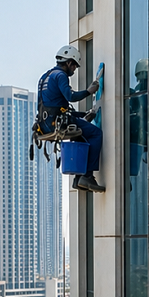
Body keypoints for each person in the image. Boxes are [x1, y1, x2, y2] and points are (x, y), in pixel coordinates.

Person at [37, 45, 104, 193]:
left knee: (82, 137)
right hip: (58, 121)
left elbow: (54, 105)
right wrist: (89, 91)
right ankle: (87, 176)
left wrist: (83, 114)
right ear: (68, 62)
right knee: (96, 134)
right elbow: (70, 97)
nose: (74, 70)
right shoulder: (61, 76)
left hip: (46, 123)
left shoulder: (45, 77)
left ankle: (78, 178)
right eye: (74, 66)